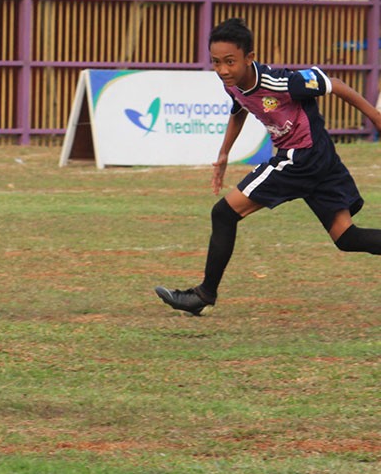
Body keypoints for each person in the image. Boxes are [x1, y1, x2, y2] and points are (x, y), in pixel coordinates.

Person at [156, 17, 381, 315]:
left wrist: (376, 118)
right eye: (216, 62)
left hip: (300, 158)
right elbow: (239, 108)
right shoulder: (232, 84)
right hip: (321, 158)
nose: (222, 70)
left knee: (223, 213)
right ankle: (204, 295)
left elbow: (334, 84)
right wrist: (224, 153)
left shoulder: (281, 81)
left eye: (230, 61)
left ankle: (203, 295)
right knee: (346, 237)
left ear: (249, 57)